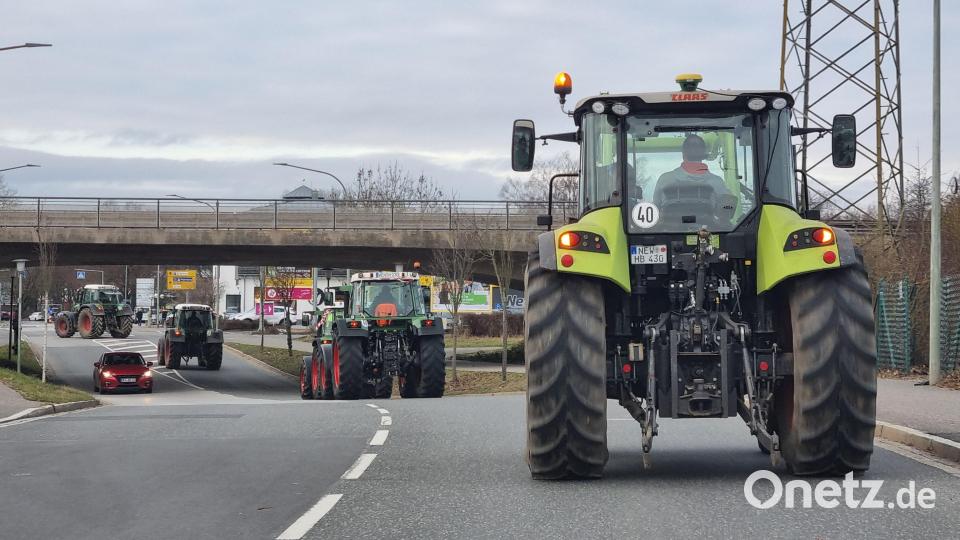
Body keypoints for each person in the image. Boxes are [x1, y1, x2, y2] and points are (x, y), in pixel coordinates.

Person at [652, 134, 731, 210]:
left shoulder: (665, 179)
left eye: (697, 146)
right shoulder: (717, 182)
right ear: (704, 153)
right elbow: (726, 213)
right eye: (692, 145)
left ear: (683, 153)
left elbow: (655, 209)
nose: (694, 148)